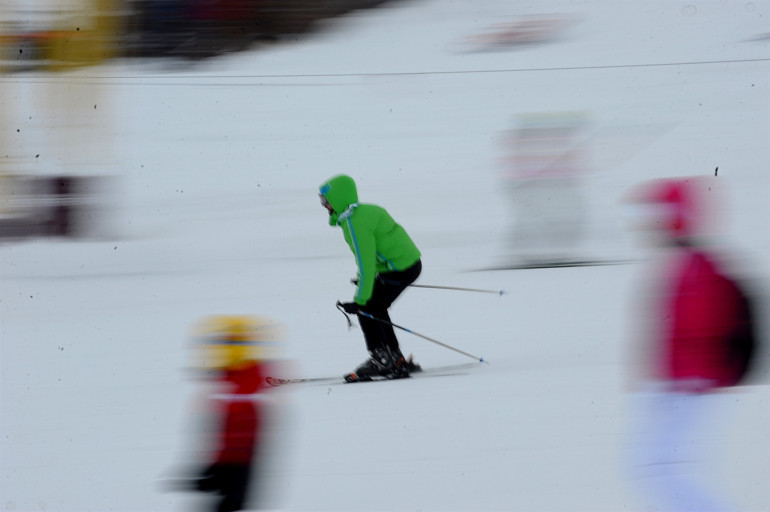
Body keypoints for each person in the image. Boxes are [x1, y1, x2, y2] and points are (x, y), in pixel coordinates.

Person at [624, 177, 750, 512]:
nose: (649, 225)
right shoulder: (684, 263)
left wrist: (685, 381)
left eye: (656, 216)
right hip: (678, 385)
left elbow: (699, 331)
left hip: (688, 385)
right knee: (658, 467)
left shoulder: (693, 268)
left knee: (661, 470)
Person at [319, 174, 422, 382]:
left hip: (399, 269)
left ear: (338, 198)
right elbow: (373, 255)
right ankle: (394, 358)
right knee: (376, 307)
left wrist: (359, 300)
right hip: (406, 265)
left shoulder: (355, 223)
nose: (324, 206)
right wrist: (366, 281)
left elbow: (365, 263)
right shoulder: (364, 212)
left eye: (326, 200)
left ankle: (382, 360)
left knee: (367, 308)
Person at [183, 315, 284, 512]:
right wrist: (216, 467)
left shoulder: (245, 387)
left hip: (238, 469)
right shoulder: (232, 383)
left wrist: (229, 471)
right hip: (231, 468)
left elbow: (244, 436)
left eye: (225, 343)